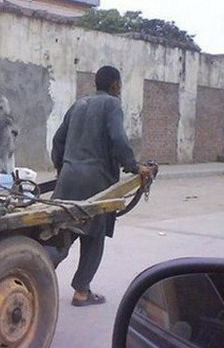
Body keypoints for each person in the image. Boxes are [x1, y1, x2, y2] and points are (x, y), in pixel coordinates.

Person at [50, 65, 152, 307]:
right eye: (120, 85)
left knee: (61, 232)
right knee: (94, 236)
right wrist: (134, 166)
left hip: (68, 178)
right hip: (96, 182)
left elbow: (57, 140)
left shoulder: (79, 104)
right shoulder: (112, 105)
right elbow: (118, 139)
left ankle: (33, 269)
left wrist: (62, 169)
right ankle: (82, 292)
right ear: (115, 85)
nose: (120, 89)